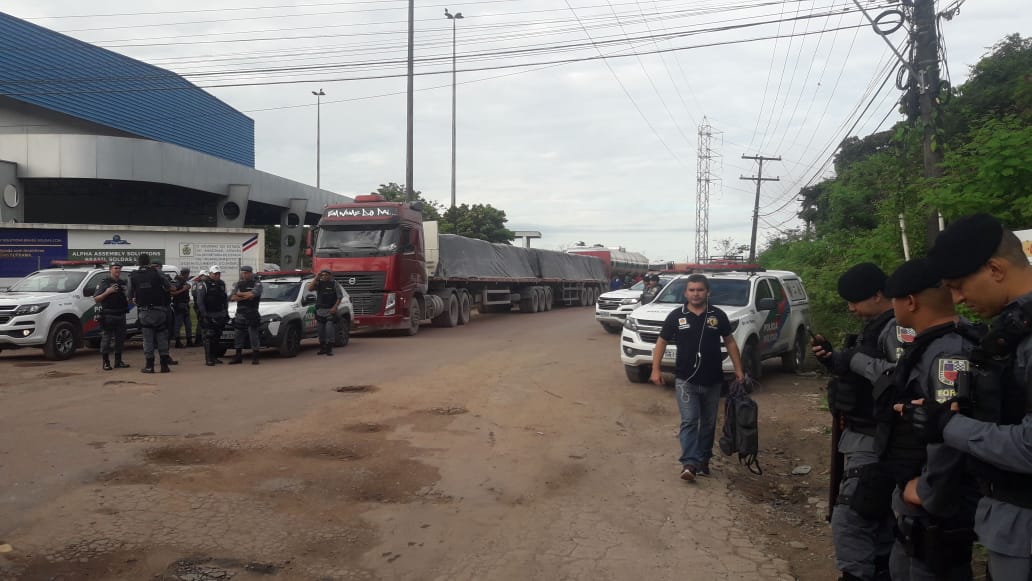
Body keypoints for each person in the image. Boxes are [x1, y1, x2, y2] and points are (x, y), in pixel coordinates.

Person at [912, 213, 1032, 580]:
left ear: (995, 269)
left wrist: (949, 425)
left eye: (959, 285)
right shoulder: (1013, 330)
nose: (957, 299)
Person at [879, 259, 981, 580]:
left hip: (937, 505)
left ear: (910, 301)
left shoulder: (948, 352)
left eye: (894, 300)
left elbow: (948, 426)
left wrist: (928, 490)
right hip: (916, 498)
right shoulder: (933, 344)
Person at [813, 262, 911, 581]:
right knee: (875, 514)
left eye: (856, 300)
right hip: (860, 434)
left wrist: (852, 359)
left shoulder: (896, 328)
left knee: (852, 514)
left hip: (880, 437)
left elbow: (902, 377)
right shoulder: (875, 326)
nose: (851, 308)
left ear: (879, 294)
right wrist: (833, 360)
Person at [651, 274, 745, 482]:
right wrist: (655, 369)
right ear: (685, 293)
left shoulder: (718, 316)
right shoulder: (677, 316)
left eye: (700, 290)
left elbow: (729, 342)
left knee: (709, 424)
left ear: (707, 292)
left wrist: (739, 369)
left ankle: (703, 460)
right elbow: (661, 341)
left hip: (713, 380)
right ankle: (689, 463)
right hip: (686, 381)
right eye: (692, 290)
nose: (696, 294)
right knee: (690, 420)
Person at [127, 253, 173, 373]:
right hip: (160, 310)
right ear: (149, 262)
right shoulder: (157, 272)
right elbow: (169, 286)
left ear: (139, 262)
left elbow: (129, 294)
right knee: (162, 337)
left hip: (144, 311)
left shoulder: (133, 275)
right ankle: (164, 366)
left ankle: (149, 366)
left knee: (148, 339)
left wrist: (134, 298)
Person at [93, 263, 131, 371]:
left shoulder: (123, 283)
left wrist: (127, 294)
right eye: (115, 268)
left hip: (121, 314)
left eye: (119, 268)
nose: (118, 270)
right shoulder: (105, 283)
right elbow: (96, 299)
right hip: (108, 315)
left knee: (120, 340)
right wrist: (107, 292)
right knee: (106, 339)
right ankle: (106, 362)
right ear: (110, 270)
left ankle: (118, 362)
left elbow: (129, 298)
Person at [228, 265, 262, 365]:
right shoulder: (238, 284)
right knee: (238, 335)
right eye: (242, 273)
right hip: (240, 313)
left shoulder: (257, 283)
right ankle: (238, 356)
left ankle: (255, 357)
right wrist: (246, 296)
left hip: (252, 312)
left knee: (253, 336)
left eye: (246, 273)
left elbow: (254, 294)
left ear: (251, 273)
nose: (244, 274)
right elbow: (231, 297)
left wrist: (240, 294)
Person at [196, 265, 229, 366]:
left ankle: (215, 357)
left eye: (219, 274)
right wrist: (204, 315)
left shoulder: (222, 284)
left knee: (217, 336)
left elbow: (224, 299)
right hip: (208, 314)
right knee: (209, 336)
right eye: (215, 274)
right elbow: (200, 301)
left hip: (219, 313)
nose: (217, 275)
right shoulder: (203, 284)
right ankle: (209, 359)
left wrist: (226, 312)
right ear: (210, 274)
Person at [307, 268, 345, 355]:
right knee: (321, 331)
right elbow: (310, 288)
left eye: (326, 275)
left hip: (330, 311)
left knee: (329, 330)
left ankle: (329, 349)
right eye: (323, 275)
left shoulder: (334, 284)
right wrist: (317, 277)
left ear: (330, 276)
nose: (324, 276)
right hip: (320, 310)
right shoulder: (319, 283)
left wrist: (335, 307)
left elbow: (339, 297)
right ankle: (322, 348)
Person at [170, 267, 193, 348]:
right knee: (178, 324)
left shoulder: (182, 280)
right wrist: (184, 289)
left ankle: (189, 341)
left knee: (188, 324)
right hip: (179, 305)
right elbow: (173, 293)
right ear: (186, 274)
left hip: (185, 305)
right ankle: (177, 341)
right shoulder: (178, 281)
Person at [191, 269, 208, 347]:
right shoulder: (199, 284)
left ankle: (199, 340)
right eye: (205, 276)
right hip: (199, 305)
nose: (207, 277)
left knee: (200, 322)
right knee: (201, 323)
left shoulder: (195, 283)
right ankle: (199, 340)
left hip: (197, 304)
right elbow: (197, 295)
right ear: (201, 276)